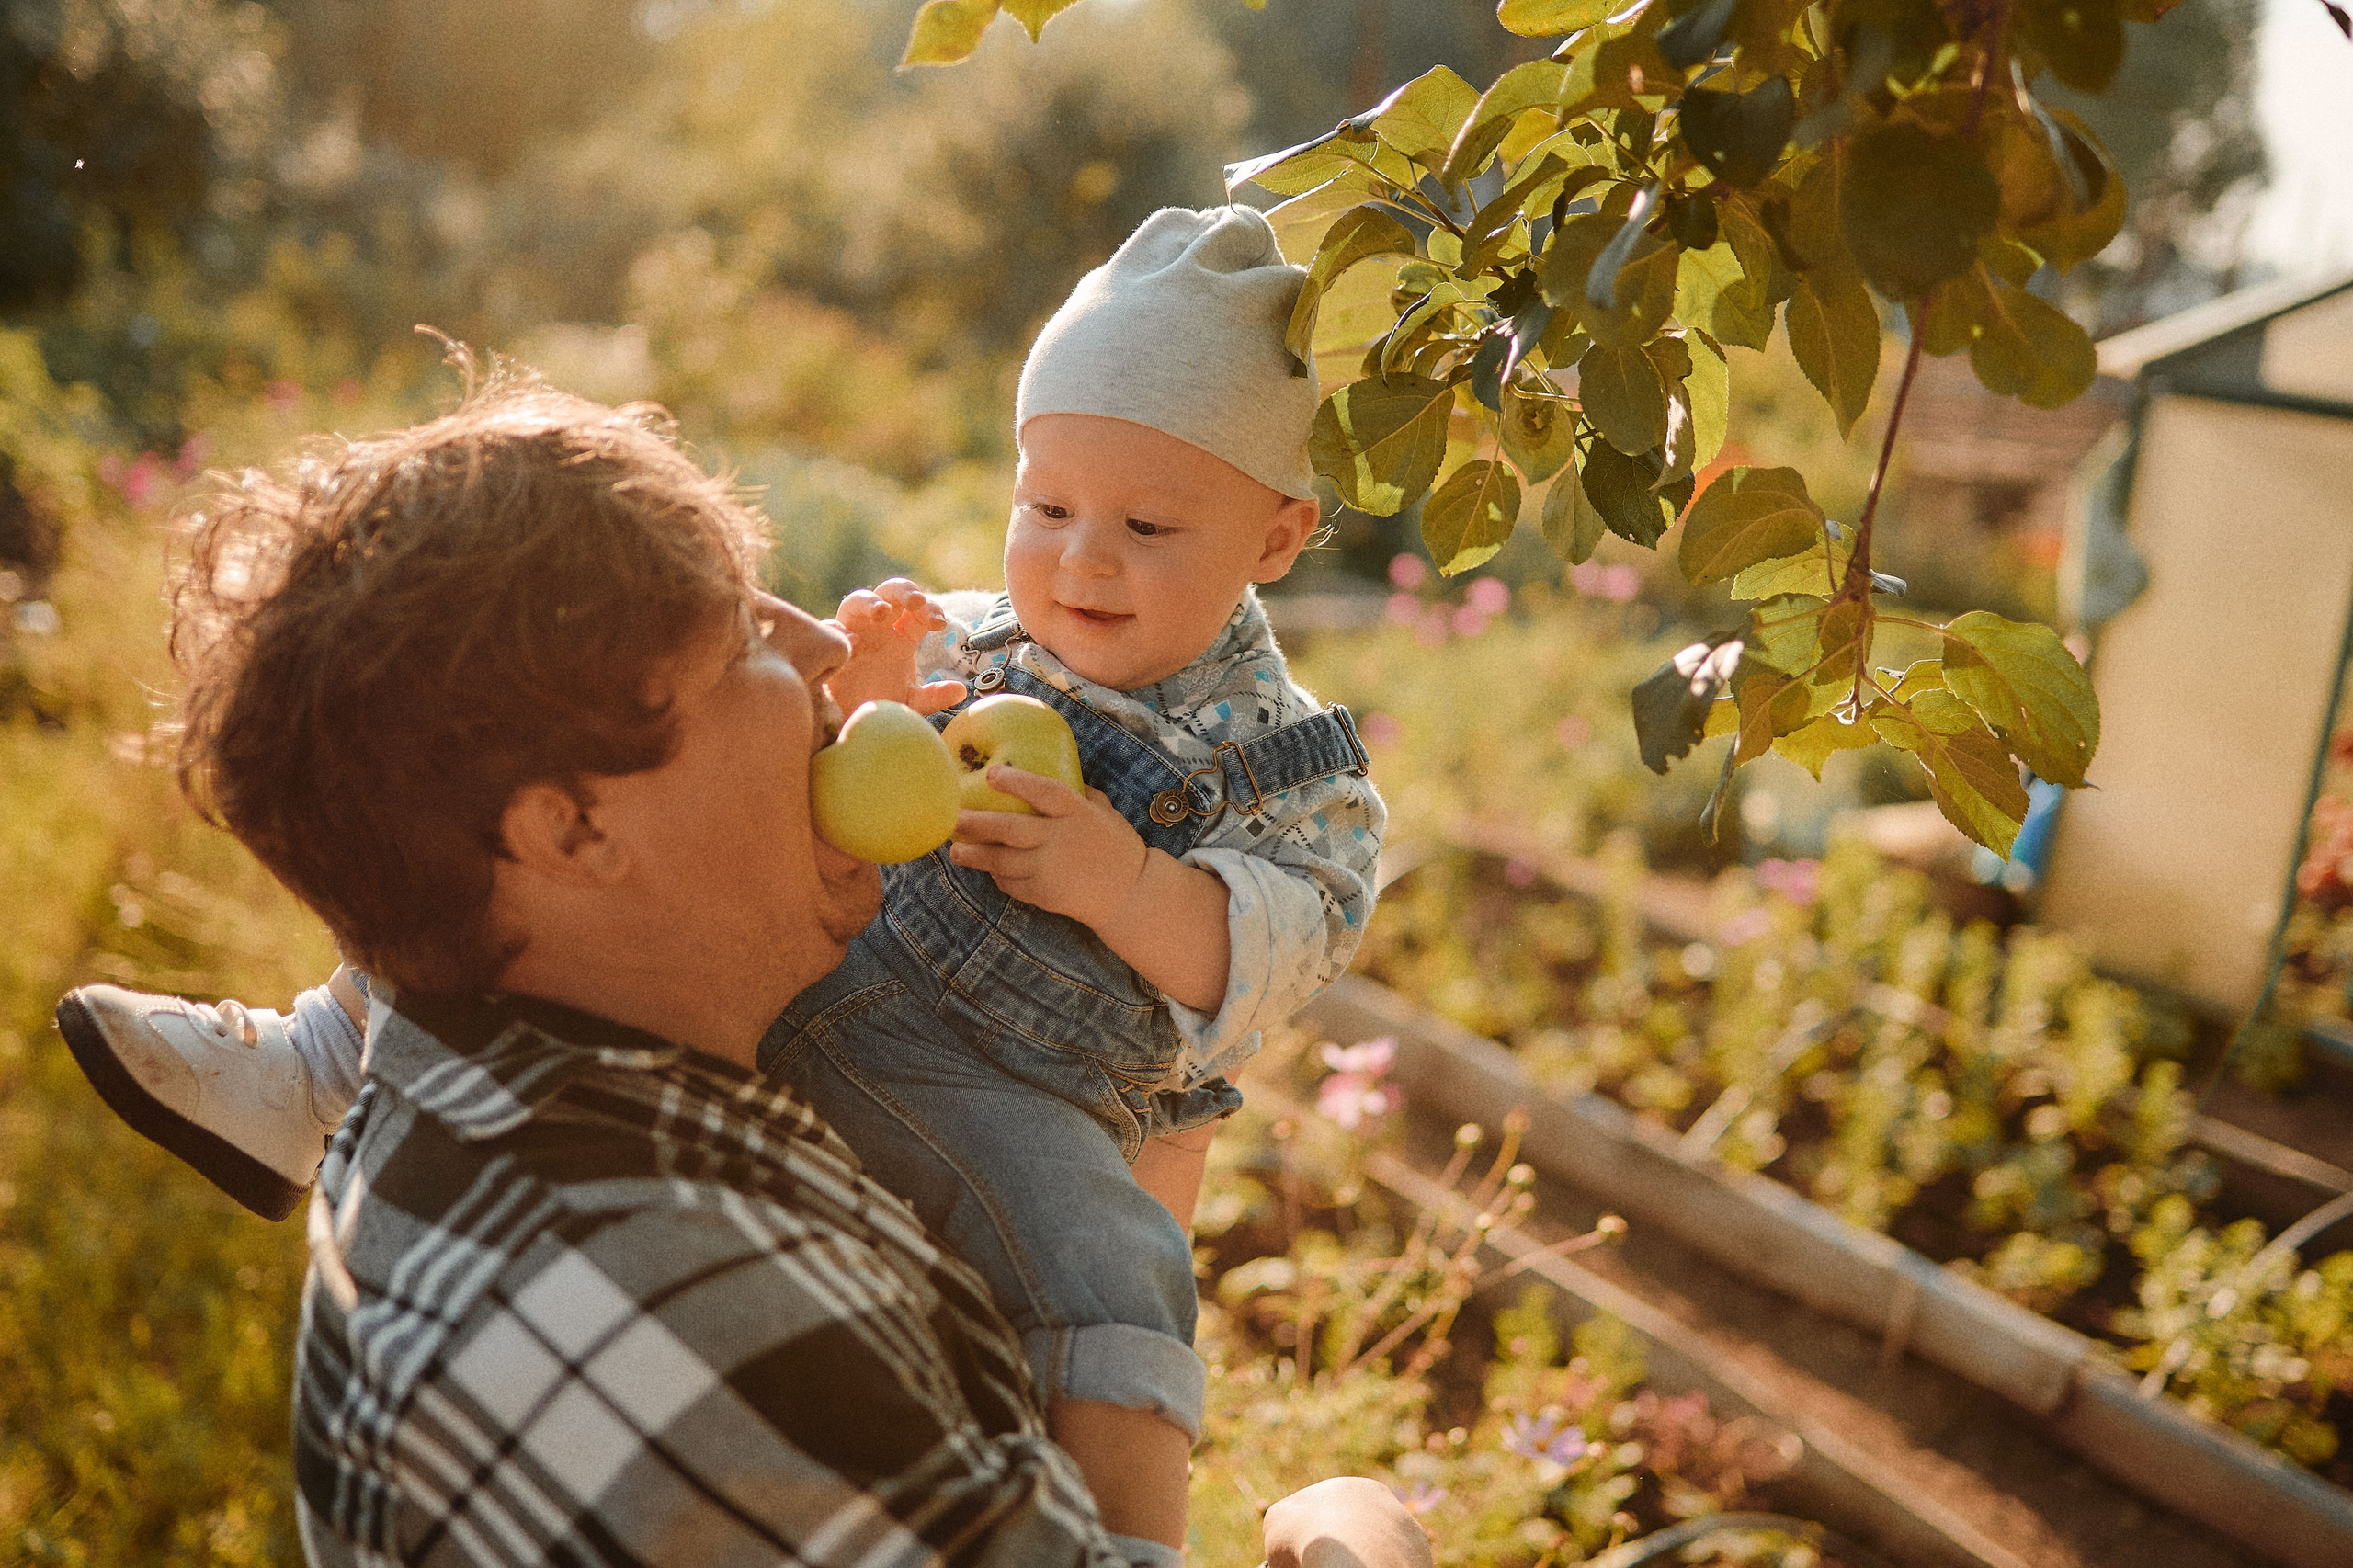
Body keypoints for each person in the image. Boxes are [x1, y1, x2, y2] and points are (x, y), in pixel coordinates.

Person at [58, 207, 1386, 1554]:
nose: (815, 644)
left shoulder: (499, 1025)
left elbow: (1290, 927)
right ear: (572, 830)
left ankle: (301, 1064)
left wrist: (1132, 894)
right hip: (893, 1035)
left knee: (1108, 1261)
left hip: (1008, 1084)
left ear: (1276, 536)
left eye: (1147, 522)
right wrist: (1360, 1532)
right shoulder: (723, 1327)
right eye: (741, 638)